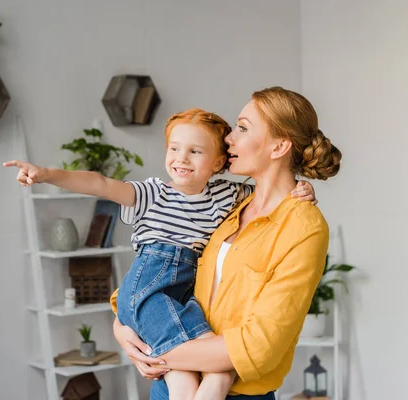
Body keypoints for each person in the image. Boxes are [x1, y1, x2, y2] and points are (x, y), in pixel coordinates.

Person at [3, 107, 316, 400]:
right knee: (192, 369)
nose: (182, 158)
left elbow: (275, 192)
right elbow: (99, 183)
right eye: (174, 148)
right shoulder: (152, 193)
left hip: (183, 291)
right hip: (150, 283)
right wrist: (46, 173)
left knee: (192, 347)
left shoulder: (226, 195)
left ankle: (218, 372)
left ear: (218, 163)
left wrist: (301, 189)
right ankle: (218, 375)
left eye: (195, 151)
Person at [111, 86, 342, 400]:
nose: (229, 138)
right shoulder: (227, 206)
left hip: (235, 393)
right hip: (169, 382)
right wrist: (124, 331)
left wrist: (156, 351)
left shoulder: (303, 226)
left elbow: (259, 347)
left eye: (243, 128)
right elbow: (165, 278)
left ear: (279, 147)